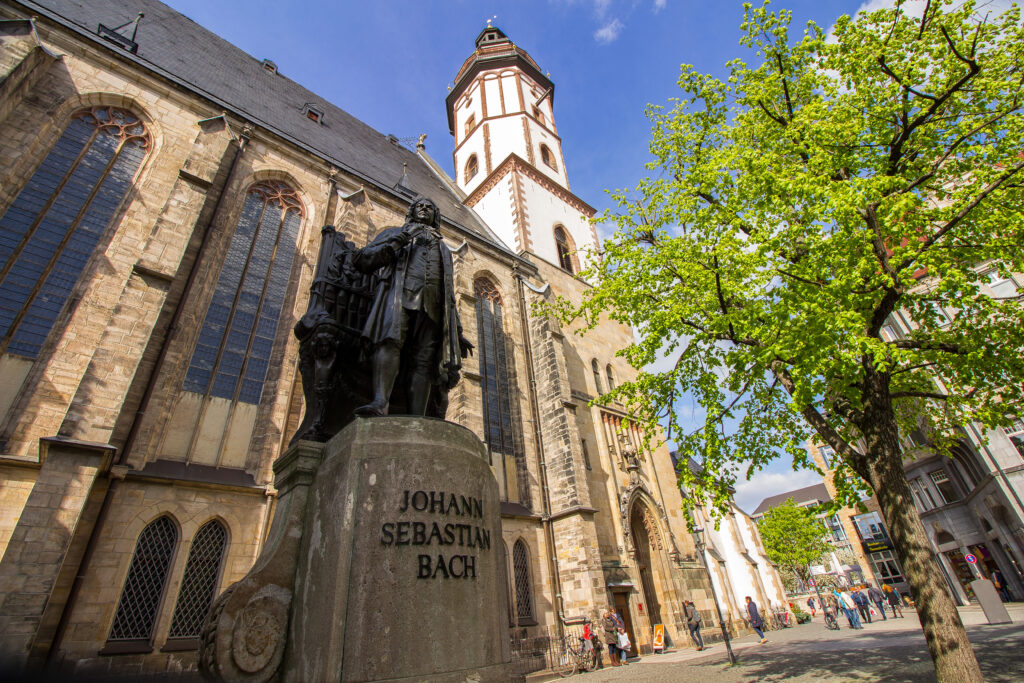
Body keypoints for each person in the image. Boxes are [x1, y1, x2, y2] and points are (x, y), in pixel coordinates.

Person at [352, 196, 473, 417]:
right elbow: (362, 259)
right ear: (412, 212)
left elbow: (450, 295)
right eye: (420, 206)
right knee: (390, 340)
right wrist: (399, 241)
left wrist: (457, 330)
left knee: (425, 359)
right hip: (400, 295)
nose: (425, 209)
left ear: (436, 216)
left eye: (430, 207)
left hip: (434, 306)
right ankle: (381, 402)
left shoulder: (444, 249)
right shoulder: (397, 234)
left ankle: (418, 417)